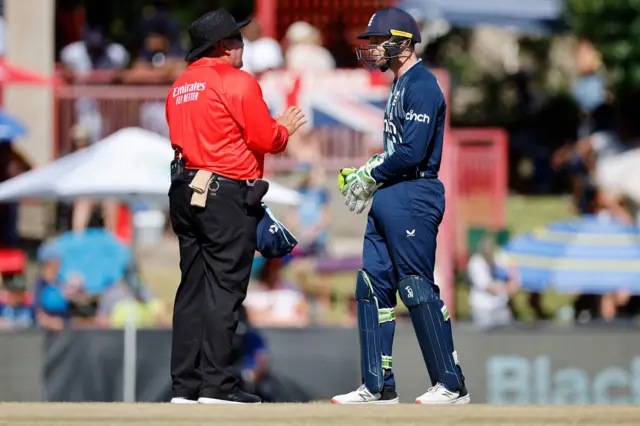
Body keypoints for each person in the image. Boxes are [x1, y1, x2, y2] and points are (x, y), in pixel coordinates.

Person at [165, 9, 307, 405]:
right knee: (225, 290)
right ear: (225, 46)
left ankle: (185, 388)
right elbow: (266, 139)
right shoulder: (237, 81)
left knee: (191, 289)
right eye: (239, 39)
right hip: (224, 193)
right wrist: (285, 128)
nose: (243, 45)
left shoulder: (179, 85)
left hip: (184, 188)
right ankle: (217, 387)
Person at [332, 7, 470, 405]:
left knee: (415, 286)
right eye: (371, 43)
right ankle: (377, 385)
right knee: (372, 286)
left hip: (414, 193)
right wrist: (371, 170)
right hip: (391, 194)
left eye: (379, 41)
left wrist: (371, 173)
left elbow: (411, 152)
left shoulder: (422, 84)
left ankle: (451, 383)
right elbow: (397, 149)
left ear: (404, 43)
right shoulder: (398, 84)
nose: (373, 49)